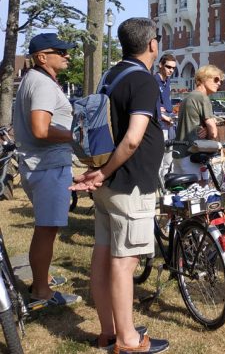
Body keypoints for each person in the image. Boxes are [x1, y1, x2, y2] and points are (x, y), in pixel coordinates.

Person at [70, 18, 169, 353]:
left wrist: (100, 173)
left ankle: (109, 331)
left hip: (108, 185)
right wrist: (103, 172)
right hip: (130, 185)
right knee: (125, 262)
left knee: (103, 256)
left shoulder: (110, 75)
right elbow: (132, 140)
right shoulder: (143, 81)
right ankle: (128, 340)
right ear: (152, 44)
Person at [12, 33, 81, 308]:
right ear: (42, 57)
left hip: (40, 166)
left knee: (46, 228)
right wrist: (75, 135)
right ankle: (41, 291)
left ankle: (43, 276)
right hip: (47, 166)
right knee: (47, 229)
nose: (67, 55)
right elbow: (41, 129)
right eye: (61, 51)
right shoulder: (41, 83)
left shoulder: (36, 79)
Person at [173, 65, 224, 180]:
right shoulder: (202, 97)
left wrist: (205, 128)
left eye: (220, 80)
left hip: (179, 152)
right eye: (216, 79)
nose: (219, 83)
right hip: (193, 154)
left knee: (182, 194)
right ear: (204, 78)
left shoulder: (188, 97)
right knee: (199, 193)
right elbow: (213, 131)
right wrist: (210, 132)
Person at [155, 53, 177, 180]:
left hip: (169, 122)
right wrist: (162, 115)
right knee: (160, 157)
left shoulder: (167, 81)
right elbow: (153, 103)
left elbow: (166, 103)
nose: (171, 70)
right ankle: (157, 185)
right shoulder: (154, 80)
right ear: (160, 65)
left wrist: (170, 114)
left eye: (173, 68)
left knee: (169, 155)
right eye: (168, 67)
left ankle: (165, 182)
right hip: (160, 124)